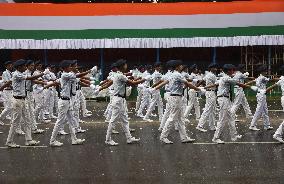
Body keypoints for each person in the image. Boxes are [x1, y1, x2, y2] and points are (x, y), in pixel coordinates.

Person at [97, 59, 147, 146]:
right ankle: (108, 139)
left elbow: (114, 82)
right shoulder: (121, 76)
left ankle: (129, 138)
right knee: (113, 120)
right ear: (122, 66)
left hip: (120, 99)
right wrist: (144, 79)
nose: (126, 65)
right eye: (125, 64)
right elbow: (132, 83)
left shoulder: (119, 75)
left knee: (124, 120)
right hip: (118, 100)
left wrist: (100, 88)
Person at [154, 60, 205, 144]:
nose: (182, 66)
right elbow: (188, 83)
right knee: (172, 118)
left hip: (176, 97)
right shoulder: (177, 75)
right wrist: (199, 90)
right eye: (180, 65)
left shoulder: (172, 74)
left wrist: (154, 88)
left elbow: (166, 82)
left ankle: (184, 137)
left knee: (181, 119)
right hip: (175, 98)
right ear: (177, 67)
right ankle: (163, 136)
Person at [49, 60, 94, 147]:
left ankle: (74, 139)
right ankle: (52, 141)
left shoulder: (68, 74)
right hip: (64, 101)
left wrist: (77, 70)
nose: (71, 68)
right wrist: (90, 71)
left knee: (71, 120)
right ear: (65, 68)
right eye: (69, 66)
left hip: (68, 100)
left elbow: (77, 77)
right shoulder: (65, 75)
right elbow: (78, 75)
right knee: (59, 121)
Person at [6, 59, 46, 148]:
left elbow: (10, 82)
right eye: (24, 66)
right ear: (19, 67)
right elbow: (30, 78)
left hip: (23, 100)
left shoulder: (21, 73)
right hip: (17, 101)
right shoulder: (17, 74)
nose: (25, 67)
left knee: (28, 120)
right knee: (15, 122)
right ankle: (9, 141)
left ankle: (29, 140)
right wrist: (43, 73)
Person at [211, 64, 251, 144]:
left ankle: (234, 136)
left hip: (226, 99)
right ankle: (215, 138)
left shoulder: (225, 77)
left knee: (231, 118)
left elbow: (233, 77)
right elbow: (238, 83)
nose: (233, 71)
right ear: (228, 71)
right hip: (223, 99)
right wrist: (251, 87)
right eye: (232, 70)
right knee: (222, 119)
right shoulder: (226, 78)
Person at [249, 66, 274, 131]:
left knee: (265, 110)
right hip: (261, 95)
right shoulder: (262, 78)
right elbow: (272, 80)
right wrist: (280, 79)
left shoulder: (259, 77)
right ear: (262, 71)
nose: (266, 72)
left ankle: (267, 125)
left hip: (261, 94)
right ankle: (252, 125)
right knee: (259, 111)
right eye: (265, 70)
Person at [196, 63, 218, 132]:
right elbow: (217, 84)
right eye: (214, 68)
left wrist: (196, 87)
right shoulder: (212, 75)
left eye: (215, 67)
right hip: (211, 92)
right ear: (211, 68)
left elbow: (202, 80)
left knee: (212, 110)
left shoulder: (208, 74)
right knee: (208, 109)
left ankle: (212, 126)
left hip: (210, 92)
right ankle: (200, 125)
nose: (216, 69)